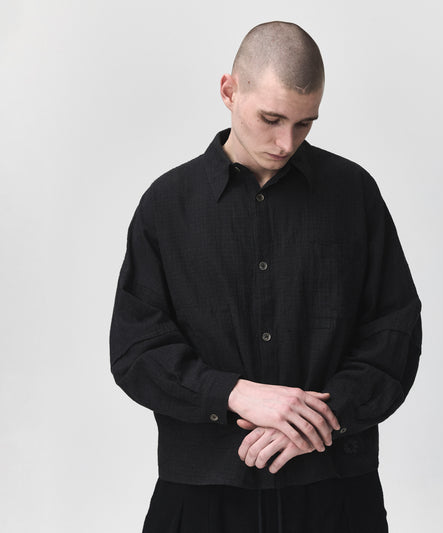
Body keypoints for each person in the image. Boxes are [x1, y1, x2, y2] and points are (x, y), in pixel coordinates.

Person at [109, 21, 422, 533]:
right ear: (229, 91)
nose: (285, 142)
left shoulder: (354, 194)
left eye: (304, 124)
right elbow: (136, 350)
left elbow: (395, 333)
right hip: (201, 496)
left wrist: (318, 422)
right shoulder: (166, 205)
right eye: (271, 119)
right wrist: (233, 393)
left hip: (337, 494)